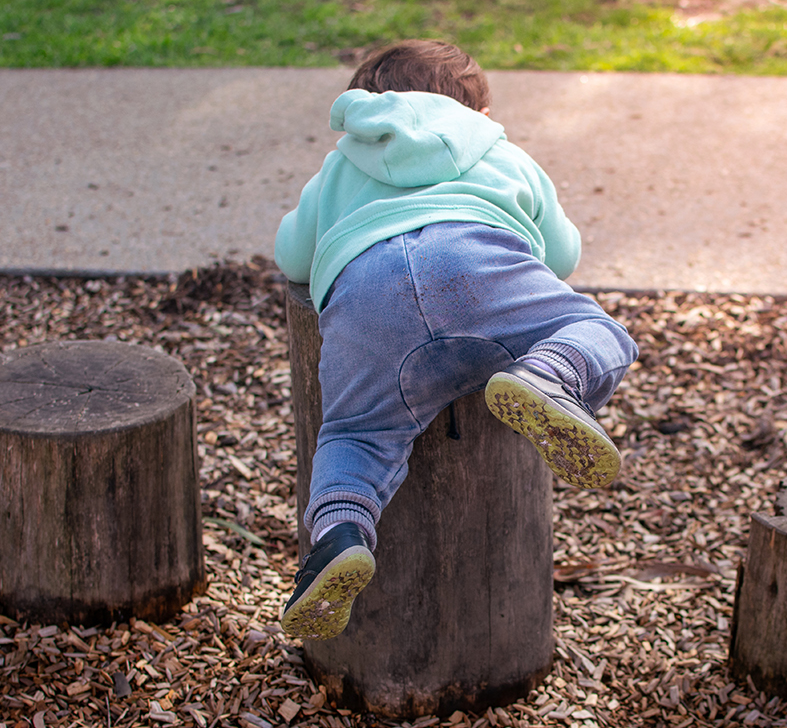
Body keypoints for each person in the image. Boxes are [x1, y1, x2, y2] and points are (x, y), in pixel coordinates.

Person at [272, 39, 638, 641]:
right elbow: (563, 254)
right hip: (474, 264)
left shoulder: (340, 164)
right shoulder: (498, 148)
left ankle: (337, 535)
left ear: (366, 108)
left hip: (367, 292)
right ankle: (550, 374)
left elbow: (292, 255)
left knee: (354, 433)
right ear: (481, 113)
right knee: (597, 330)